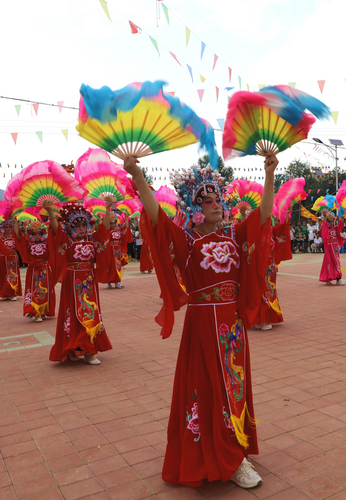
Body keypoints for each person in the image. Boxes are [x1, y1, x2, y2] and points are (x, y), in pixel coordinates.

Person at [126, 154, 276, 490]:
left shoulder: (235, 235)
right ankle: (228, 459)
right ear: (194, 208)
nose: (215, 205)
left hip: (232, 324)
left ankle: (234, 449)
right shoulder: (187, 241)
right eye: (206, 201)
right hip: (204, 322)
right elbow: (157, 218)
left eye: (218, 199)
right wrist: (137, 174)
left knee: (233, 387)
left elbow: (263, 217)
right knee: (210, 387)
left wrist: (270, 176)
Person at [46, 200, 112, 364]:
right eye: (77, 226)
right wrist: (49, 211)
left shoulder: (92, 238)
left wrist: (108, 208)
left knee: (90, 312)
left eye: (84, 225)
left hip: (89, 281)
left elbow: (104, 229)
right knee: (72, 313)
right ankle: (72, 349)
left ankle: (89, 351)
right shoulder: (66, 240)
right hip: (72, 281)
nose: (82, 229)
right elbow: (55, 230)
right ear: (70, 227)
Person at [14, 219, 55, 323]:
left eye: (39, 233)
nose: (37, 235)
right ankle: (36, 312)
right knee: (35, 291)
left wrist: (52, 219)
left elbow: (54, 235)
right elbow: (19, 238)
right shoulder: (28, 244)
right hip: (33, 270)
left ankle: (43, 311)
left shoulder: (47, 242)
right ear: (31, 234)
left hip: (45, 269)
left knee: (46, 291)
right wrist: (15, 223)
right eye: (35, 233)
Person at [0, 220, 22, 301]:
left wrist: (15, 223)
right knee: (5, 276)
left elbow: (19, 238)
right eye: (6, 227)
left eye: (9, 227)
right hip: (4, 259)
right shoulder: (1, 237)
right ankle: (7, 293)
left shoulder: (15, 237)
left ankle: (13, 293)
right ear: (3, 228)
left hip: (13, 259)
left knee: (12, 275)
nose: (8, 228)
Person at [97, 212, 130, 289]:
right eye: (111, 224)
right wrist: (100, 218)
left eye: (114, 223)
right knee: (110, 266)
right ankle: (109, 282)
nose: (113, 225)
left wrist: (125, 216)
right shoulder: (108, 231)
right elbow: (101, 228)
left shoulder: (119, 231)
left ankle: (117, 282)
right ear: (109, 224)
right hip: (110, 251)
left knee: (117, 266)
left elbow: (126, 227)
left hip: (118, 251)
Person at [318, 209, 345, 285]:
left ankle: (338, 279)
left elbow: (341, 224)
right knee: (329, 262)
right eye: (329, 221)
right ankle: (329, 279)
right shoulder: (326, 227)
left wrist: (343, 216)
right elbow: (324, 223)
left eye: (332, 221)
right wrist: (324, 215)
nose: (331, 223)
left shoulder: (335, 228)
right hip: (329, 247)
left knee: (336, 262)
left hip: (335, 247)